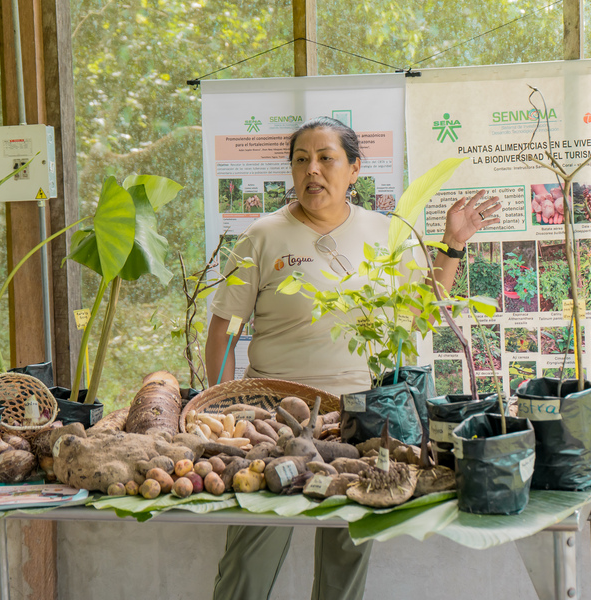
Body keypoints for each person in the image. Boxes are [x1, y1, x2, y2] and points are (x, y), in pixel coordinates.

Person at [205, 116, 501, 600]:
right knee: (251, 547)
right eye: (301, 160)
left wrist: (453, 245)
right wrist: (221, 405)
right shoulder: (262, 236)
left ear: (355, 169)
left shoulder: (385, 233)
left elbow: (420, 315)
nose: (312, 171)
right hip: (273, 417)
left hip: (359, 415)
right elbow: (223, 330)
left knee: (346, 548)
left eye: (326, 159)